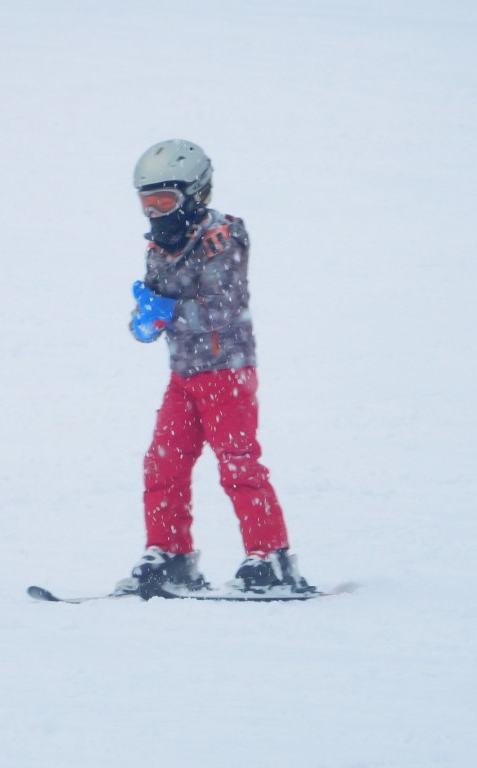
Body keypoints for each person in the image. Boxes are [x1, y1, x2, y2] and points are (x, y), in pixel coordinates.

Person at [114, 139, 313, 599]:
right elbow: (152, 312)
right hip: (183, 376)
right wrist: (144, 318)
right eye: (147, 203)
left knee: (238, 465)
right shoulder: (157, 247)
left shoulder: (222, 238)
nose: (155, 213)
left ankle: (271, 558)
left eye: (165, 201)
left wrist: (166, 312)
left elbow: (221, 309)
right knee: (162, 464)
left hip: (226, 373)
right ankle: (170, 556)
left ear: (194, 193)